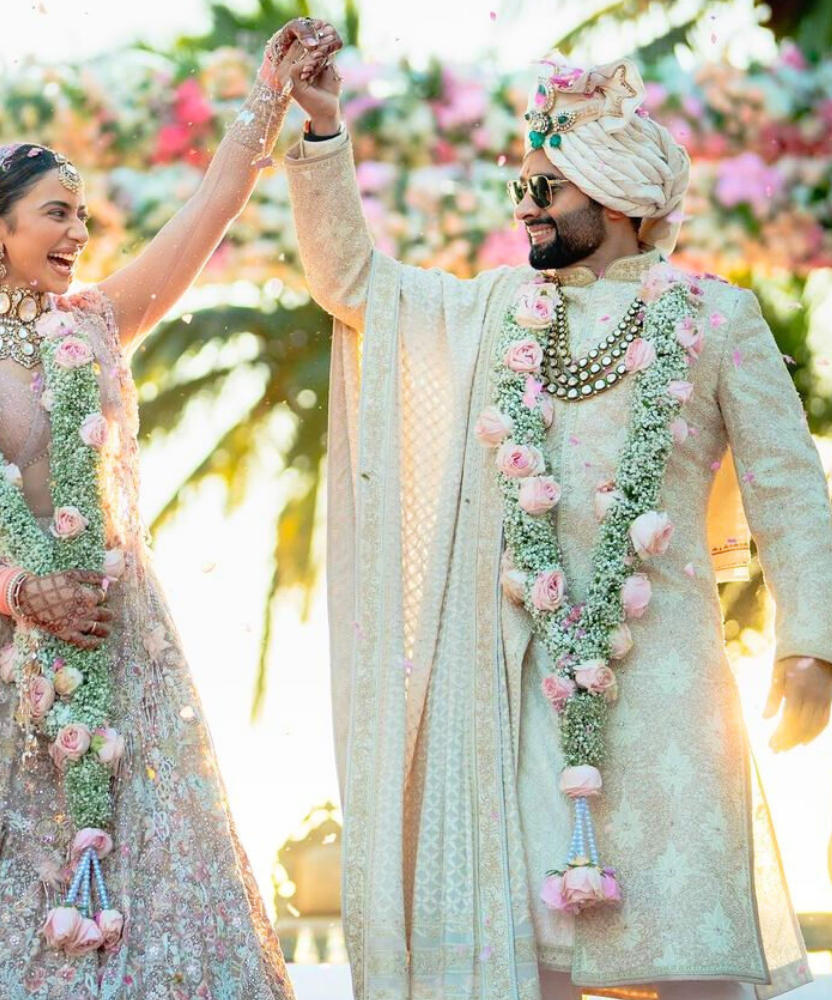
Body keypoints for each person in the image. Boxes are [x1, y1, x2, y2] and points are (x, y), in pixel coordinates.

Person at [283, 49, 832, 1000]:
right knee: (530, 960)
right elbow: (354, 282)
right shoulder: (497, 311)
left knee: (692, 954)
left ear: (618, 199)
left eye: (547, 187)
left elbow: (790, 491)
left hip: (671, 690)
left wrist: (812, 646)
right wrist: (325, 132)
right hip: (518, 682)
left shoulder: (717, 318)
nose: (525, 207)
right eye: (522, 187)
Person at [0, 18, 342, 999]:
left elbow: (208, 212)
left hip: (117, 631)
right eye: (56, 214)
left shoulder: (98, 324)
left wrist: (271, 95)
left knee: (159, 896)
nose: (78, 234)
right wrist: (19, 591)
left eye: (84, 217)